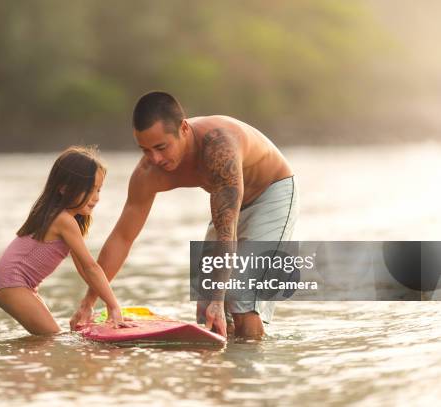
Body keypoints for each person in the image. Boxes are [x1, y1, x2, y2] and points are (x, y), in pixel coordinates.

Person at [70, 91, 299, 339]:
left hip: (271, 194)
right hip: (228, 204)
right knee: (206, 309)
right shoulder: (148, 173)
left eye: (161, 147)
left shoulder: (218, 148)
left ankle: (251, 372)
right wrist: (89, 301)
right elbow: (122, 238)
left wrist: (219, 299)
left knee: (237, 294)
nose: (154, 159)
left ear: (184, 129)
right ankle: (224, 371)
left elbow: (226, 233)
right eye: (145, 150)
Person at [0, 146, 132, 335]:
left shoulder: (64, 219)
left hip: (16, 285)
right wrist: (114, 306)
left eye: (99, 190)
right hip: (14, 284)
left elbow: (84, 268)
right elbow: (91, 267)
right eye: (90, 190)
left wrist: (90, 305)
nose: (96, 198)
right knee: (52, 338)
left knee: (51, 338)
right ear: (64, 188)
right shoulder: (63, 220)